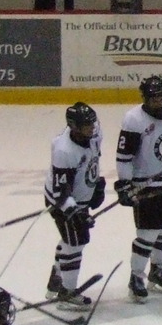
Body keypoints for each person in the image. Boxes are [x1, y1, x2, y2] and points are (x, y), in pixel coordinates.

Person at [114, 77, 162, 303]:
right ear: (145, 99)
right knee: (147, 234)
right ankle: (136, 278)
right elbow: (124, 156)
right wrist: (125, 183)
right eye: (153, 99)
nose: (158, 102)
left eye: (161, 97)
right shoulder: (133, 120)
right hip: (146, 186)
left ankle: (156, 270)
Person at [44, 103, 106, 311]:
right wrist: (76, 213)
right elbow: (61, 193)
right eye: (87, 125)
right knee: (76, 243)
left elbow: (93, 158)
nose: (92, 127)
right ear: (74, 127)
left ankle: (57, 277)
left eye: (92, 123)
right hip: (63, 203)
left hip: (80, 198)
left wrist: (95, 185)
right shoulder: (64, 150)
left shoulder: (94, 136)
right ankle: (67, 292)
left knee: (71, 240)